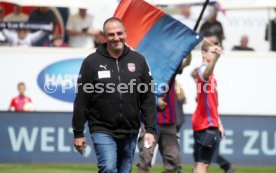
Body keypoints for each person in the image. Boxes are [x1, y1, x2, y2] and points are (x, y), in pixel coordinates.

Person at [72, 17, 156, 173]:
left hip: (130, 130)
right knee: (108, 168)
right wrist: (78, 132)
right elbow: (82, 101)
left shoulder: (139, 60)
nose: (116, 38)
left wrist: (150, 129)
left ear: (126, 33)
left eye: (119, 33)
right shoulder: (91, 62)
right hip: (101, 128)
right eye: (111, 34)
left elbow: (148, 98)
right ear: (105, 37)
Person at [136, 55, 191, 173]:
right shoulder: (144, 70)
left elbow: (186, 63)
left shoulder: (170, 68)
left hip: (168, 122)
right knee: (145, 158)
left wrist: (188, 48)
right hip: (149, 122)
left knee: (173, 160)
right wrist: (156, 101)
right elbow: (139, 93)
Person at [191, 35, 235, 173]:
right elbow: (206, 73)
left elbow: (212, 105)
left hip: (207, 123)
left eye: (215, 51)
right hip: (205, 124)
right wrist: (216, 58)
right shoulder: (202, 69)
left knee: (200, 163)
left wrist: (219, 123)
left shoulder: (210, 75)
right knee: (203, 164)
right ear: (203, 53)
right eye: (212, 51)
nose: (214, 53)